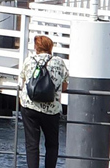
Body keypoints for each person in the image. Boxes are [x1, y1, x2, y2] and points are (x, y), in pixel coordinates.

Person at [19, 35, 68, 168]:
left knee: (32, 144)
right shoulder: (59, 62)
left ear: (36, 47)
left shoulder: (29, 61)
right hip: (51, 109)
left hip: (30, 107)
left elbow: (23, 83)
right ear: (50, 47)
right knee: (52, 145)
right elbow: (64, 86)